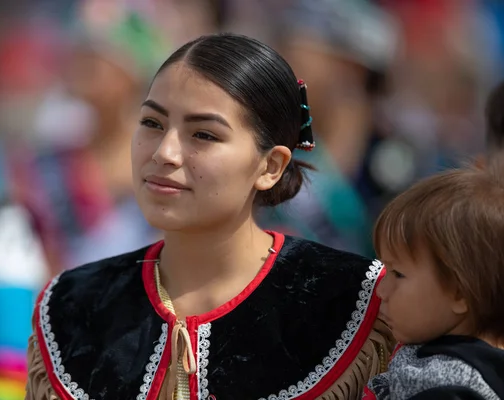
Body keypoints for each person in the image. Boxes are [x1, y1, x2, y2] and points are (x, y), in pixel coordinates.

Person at [25, 33, 395, 400]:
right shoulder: (72, 306)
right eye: (152, 123)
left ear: (270, 166)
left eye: (203, 134)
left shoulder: (355, 300)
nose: (165, 153)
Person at [365, 163, 504, 399]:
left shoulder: (452, 388)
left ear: (459, 293)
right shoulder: (438, 360)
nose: (381, 290)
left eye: (398, 273)